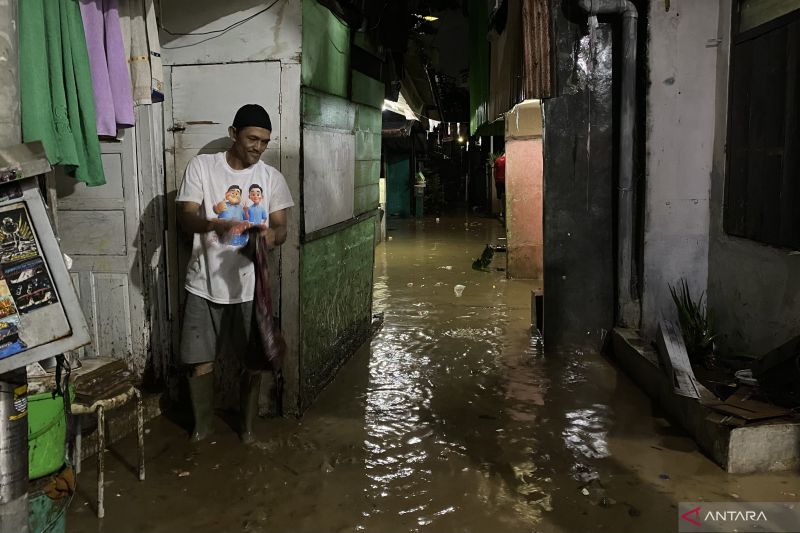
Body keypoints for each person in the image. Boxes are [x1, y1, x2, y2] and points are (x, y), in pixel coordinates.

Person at [175, 104, 293, 444]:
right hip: (203, 279)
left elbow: (283, 227)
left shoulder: (271, 178)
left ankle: (247, 429)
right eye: (252, 138)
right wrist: (216, 224)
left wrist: (271, 236)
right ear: (233, 134)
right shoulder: (202, 167)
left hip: (250, 286)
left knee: (254, 360)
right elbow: (185, 217)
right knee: (199, 360)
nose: (258, 147)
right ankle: (203, 428)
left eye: (265, 142)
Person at [494, 153, 506, 218]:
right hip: (505, 181)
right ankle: (505, 211)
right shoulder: (508, 160)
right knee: (505, 196)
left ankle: (501, 212)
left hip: (498, 181)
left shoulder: (497, 160)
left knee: (499, 197)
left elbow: (494, 171)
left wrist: (495, 180)